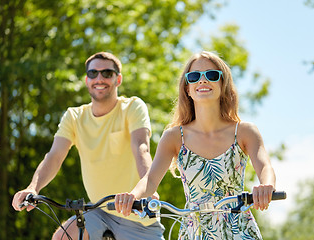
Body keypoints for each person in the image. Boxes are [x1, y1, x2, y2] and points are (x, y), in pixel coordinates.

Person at [115, 51, 276, 239]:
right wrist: (132, 196)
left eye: (212, 75)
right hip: (195, 231)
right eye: (194, 76)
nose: (202, 81)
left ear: (223, 84)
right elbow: (150, 180)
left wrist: (266, 186)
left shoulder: (245, 132)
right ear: (187, 88)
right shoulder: (174, 137)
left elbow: (265, 166)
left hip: (238, 229)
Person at [12, 52, 164, 240]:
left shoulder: (132, 107)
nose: (99, 78)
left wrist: (147, 189)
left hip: (137, 213)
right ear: (86, 80)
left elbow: (141, 147)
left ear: (118, 79)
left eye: (107, 73)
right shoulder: (74, 117)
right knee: (61, 237)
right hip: (99, 211)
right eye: (93, 73)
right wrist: (33, 188)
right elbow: (55, 155)